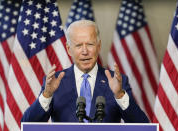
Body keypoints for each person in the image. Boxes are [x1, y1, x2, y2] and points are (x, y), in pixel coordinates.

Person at [21, 20, 149, 123]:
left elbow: (142, 125)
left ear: (98, 46)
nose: (85, 51)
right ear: (68, 49)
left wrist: (120, 95)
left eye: (90, 44)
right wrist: (47, 95)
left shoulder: (117, 82)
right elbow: (27, 124)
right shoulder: (54, 82)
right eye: (78, 45)